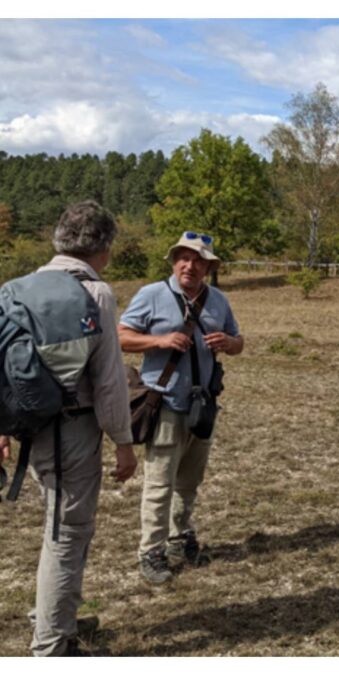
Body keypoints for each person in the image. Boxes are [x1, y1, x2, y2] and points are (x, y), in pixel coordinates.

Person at [0, 200, 137, 656]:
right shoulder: (96, 294)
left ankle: (55, 616)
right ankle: (52, 646)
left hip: (32, 427)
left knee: (58, 526)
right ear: (104, 248)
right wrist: (123, 441)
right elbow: (110, 381)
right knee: (67, 533)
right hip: (73, 431)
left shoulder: (16, 288)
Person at [118, 232, 243, 584]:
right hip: (166, 402)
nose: (190, 265)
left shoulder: (217, 300)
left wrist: (230, 343)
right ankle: (150, 552)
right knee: (159, 483)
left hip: (203, 405)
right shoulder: (152, 295)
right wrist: (158, 340)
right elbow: (120, 335)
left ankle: (179, 538)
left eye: (198, 259)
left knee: (189, 481)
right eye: (183, 258)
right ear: (174, 262)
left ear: (208, 266)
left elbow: (239, 341)